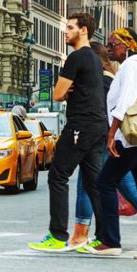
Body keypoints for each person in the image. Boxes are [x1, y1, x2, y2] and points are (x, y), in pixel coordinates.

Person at [86, 28, 137, 261]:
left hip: (135, 139)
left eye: (114, 44)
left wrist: (111, 134)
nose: (109, 48)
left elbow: (126, 101)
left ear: (128, 46)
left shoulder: (131, 67)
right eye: (109, 45)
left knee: (105, 181)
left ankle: (111, 241)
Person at [29, 13, 108, 253]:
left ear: (83, 30)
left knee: (58, 176)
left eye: (70, 27)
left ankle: (57, 235)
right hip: (97, 126)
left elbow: (57, 94)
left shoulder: (76, 57)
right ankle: (106, 238)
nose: (66, 31)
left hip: (79, 125)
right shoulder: (94, 59)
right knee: (95, 183)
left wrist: (66, 89)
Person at [71, 42, 137, 251]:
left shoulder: (103, 79)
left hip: (102, 140)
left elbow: (106, 111)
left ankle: (83, 235)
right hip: (107, 139)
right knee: (128, 188)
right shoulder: (108, 78)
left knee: (89, 186)